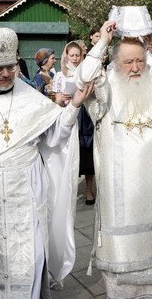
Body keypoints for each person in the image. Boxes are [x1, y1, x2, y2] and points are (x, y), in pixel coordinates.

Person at [0, 27, 93, 298]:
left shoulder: (30, 97)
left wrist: (73, 107)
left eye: (10, 67)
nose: (5, 74)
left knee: (33, 257)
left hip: (28, 192)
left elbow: (53, 137)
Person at [75, 20, 152, 298]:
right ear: (117, 63)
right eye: (128, 62)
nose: (134, 67)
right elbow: (82, 78)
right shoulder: (105, 82)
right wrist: (103, 42)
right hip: (121, 187)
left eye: (140, 61)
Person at [51, 41, 96, 205]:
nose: (75, 58)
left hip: (86, 115)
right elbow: (57, 100)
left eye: (78, 55)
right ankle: (69, 191)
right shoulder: (59, 75)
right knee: (69, 154)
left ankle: (89, 189)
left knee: (87, 153)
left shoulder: (87, 73)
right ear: (66, 55)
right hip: (69, 114)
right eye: (72, 55)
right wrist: (61, 99)